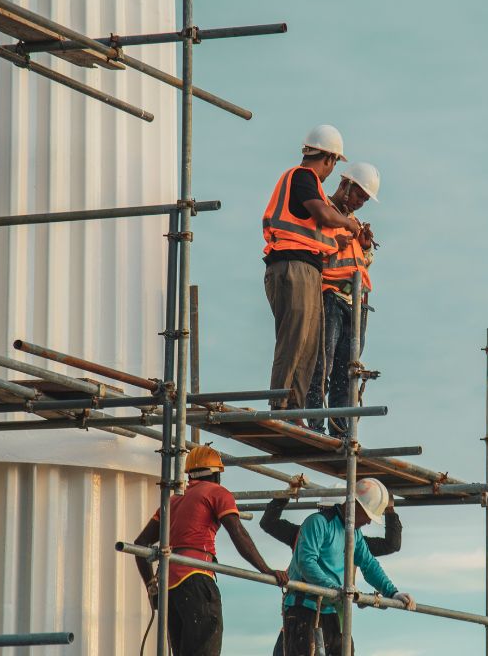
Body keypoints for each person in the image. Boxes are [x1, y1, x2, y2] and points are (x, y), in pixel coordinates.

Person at [133, 445, 289, 656]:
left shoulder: (171, 502)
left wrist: (152, 586)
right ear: (216, 474)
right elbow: (237, 533)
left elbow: (140, 544)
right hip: (196, 577)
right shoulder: (217, 493)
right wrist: (266, 569)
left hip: (169, 587)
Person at [263, 125, 362, 413]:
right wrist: (346, 223)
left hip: (305, 268)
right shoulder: (303, 176)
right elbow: (321, 213)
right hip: (291, 266)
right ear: (330, 158)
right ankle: (280, 405)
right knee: (294, 339)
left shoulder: (309, 186)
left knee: (308, 346)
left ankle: (295, 408)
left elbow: (316, 229)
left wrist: (343, 237)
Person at [281, 478, 416, 656]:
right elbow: (306, 562)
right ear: (355, 505)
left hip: (332, 611)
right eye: (368, 516)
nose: (368, 522)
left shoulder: (354, 534)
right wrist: (333, 589)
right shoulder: (318, 523)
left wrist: (392, 592)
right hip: (304, 609)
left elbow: (369, 564)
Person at [304, 162, 381, 434]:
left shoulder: (354, 223)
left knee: (346, 373)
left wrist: (366, 247)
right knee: (321, 364)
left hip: (356, 303)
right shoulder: (323, 210)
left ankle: (341, 431)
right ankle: (315, 425)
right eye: (359, 194)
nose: (361, 202)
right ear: (345, 184)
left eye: (365, 198)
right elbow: (311, 250)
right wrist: (335, 245)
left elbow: (360, 263)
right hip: (330, 297)